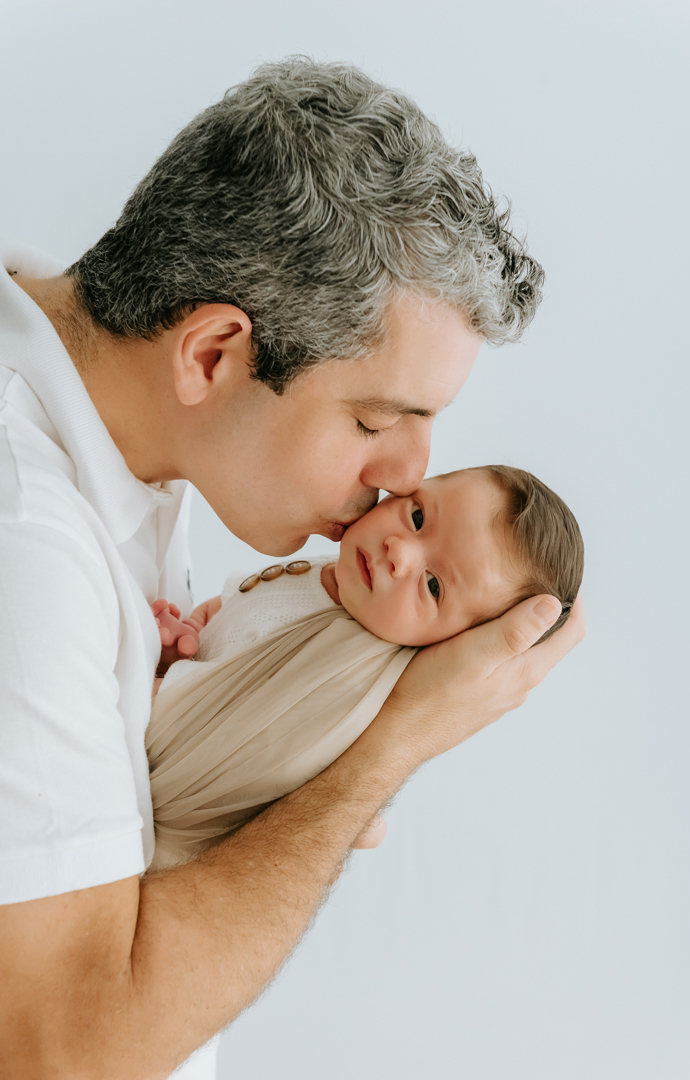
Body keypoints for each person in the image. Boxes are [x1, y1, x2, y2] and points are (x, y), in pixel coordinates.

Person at [0, 58, 585, 1079]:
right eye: (374, 420)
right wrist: (386, 751)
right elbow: (66, 1055)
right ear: (213, 355)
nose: (407, 475)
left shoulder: (123, 438)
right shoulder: (29, 549)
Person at [147, 465, 583, 871]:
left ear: (452, 646)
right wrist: (195, 635)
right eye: (417, 516)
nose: (400, 551)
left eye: (433, 586)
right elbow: (246, 606)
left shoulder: (343, 674)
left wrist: (155, 682)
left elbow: (214, 740)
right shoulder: (344, 579)